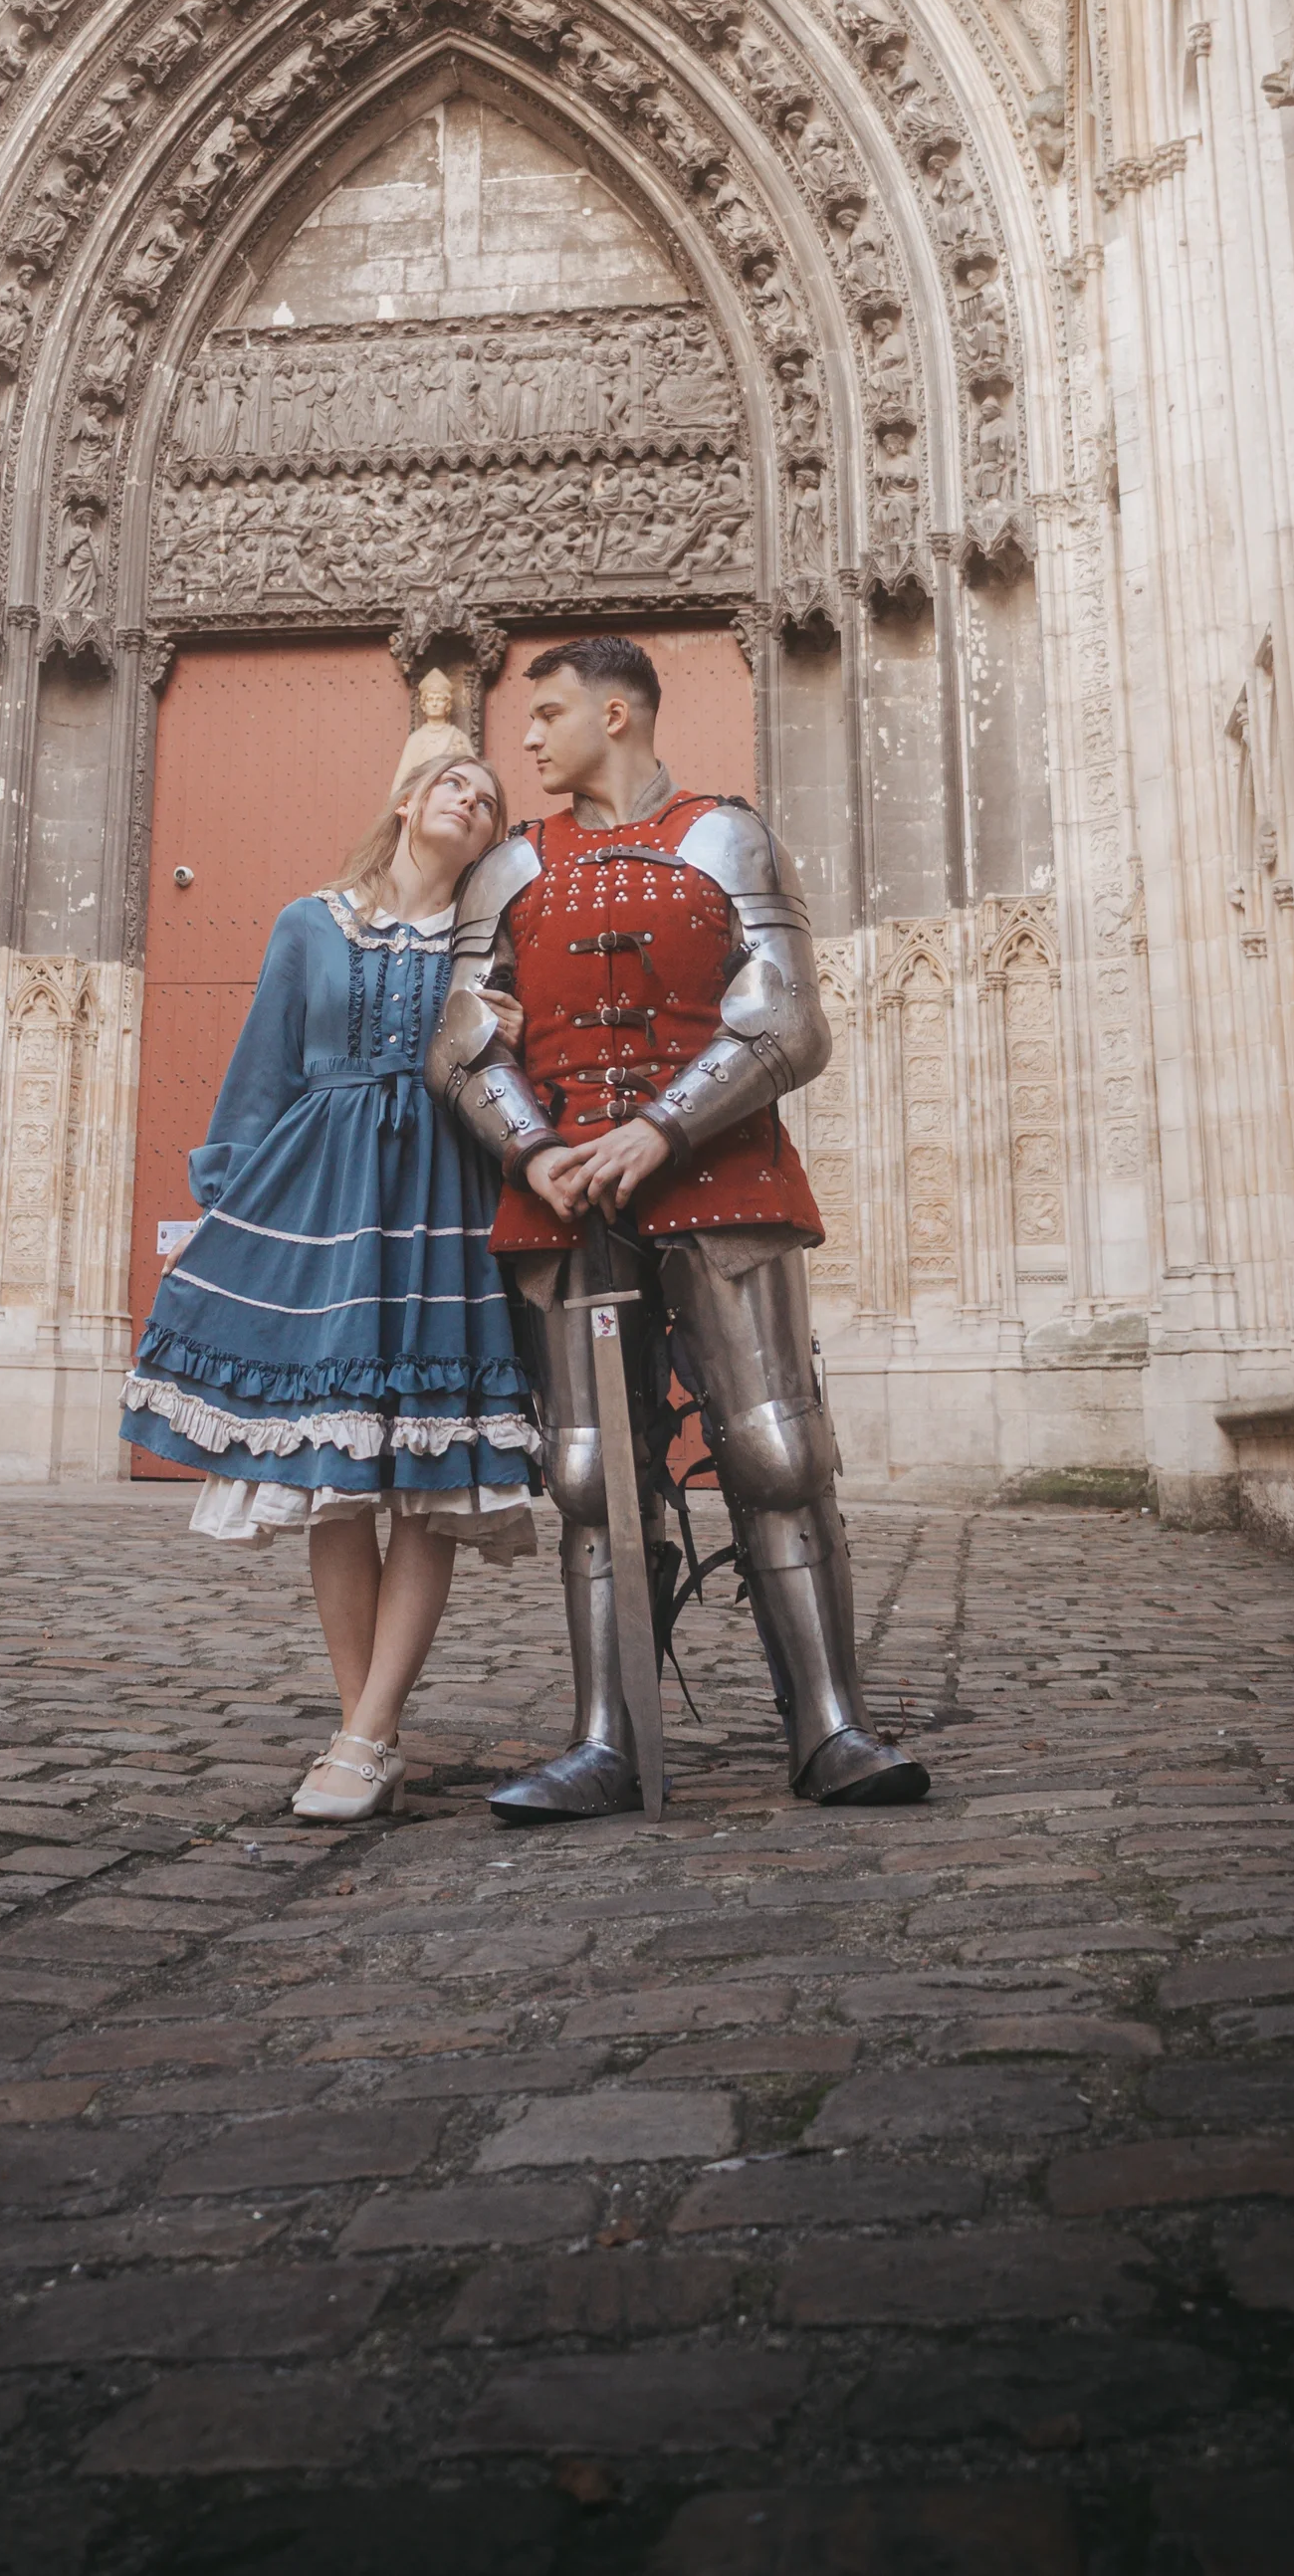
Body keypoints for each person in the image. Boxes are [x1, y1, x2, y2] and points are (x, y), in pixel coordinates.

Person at [429, 636, 931, 1819]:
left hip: (718, 1176)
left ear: (619, 713)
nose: (529, 738)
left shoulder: (727, 836)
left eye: (547, 714)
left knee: (774, 1450)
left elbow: (789, 1020)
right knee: (593, 1472)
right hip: (564, 1197)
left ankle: (830, 1726)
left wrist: (659, 1129)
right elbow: (459, 1042)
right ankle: (606, 1738)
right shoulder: (508, 867)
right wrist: (538, 1149)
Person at [121, 726, 539, 1824]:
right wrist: (231, 1209)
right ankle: (368, 1730)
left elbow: (516, 1086)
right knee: (334, 1482)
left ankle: (360, 1736)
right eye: (455, 784)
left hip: (441, 1208)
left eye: (490, 801)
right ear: (406, 801)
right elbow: (261, 1071)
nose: (473, 803)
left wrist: (505, 1036)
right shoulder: (309, 923)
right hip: (320, 1203)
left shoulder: (489, 945)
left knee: (428, 1482)